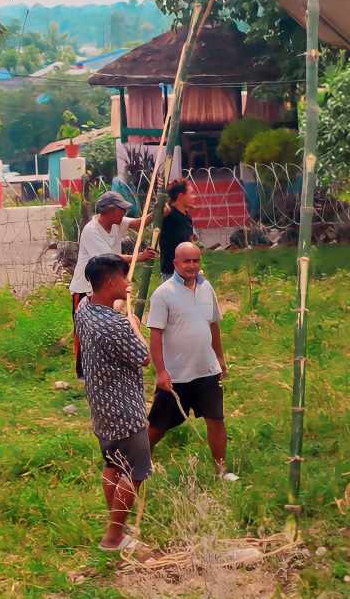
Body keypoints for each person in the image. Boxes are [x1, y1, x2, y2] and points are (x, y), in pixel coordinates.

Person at [73, 254, 151, 553]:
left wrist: (123, 318)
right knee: (135, 471)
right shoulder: (117, 326)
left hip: (101, 406)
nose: (127, 282)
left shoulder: (83, 308)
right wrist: (133, 326)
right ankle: (114, 538)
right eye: (122, 277)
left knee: (112, 466)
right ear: (109, 282)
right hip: (125, 410)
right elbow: (143, 357)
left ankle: (115, 523)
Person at [146, 241, 236, 482]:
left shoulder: (207, 288)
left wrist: (220, 358)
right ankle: (140, 462)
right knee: (158, 425)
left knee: (216, 419)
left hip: (206, 369)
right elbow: (155, 336)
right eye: (187, 261)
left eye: (196, 261)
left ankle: (221, 470)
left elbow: (213, 325)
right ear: (175, 263)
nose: (192, 266)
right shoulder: (163, 294)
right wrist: (161, 372)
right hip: (176, 375)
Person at [70, 191, 147, 377]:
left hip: (105, 287)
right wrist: (139, 257)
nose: (123, 213)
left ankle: (107, 361)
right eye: (121, 210)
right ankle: (83, 371)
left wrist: (160, 211)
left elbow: (138, 223)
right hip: (85, 287)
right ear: (110, 210)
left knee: (106, 324)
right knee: (84, 329)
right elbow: (108, 259)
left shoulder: (115, 224)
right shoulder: (92, 230)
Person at [156, 178, 196, 277]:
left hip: (188, 271)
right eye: (191, 193)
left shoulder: (187, 217)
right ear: (181, 196)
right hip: (172, 273)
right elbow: (158, 210)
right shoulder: (168, 215)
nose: (194, 197)